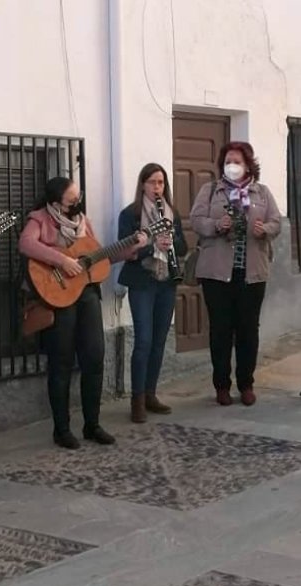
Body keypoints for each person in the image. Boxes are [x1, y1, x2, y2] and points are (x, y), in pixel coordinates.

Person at [19, 177, 145, 448]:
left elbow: (98, 256)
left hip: (86, 295)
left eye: (78, 197)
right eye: (71, 200)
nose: (77, 203)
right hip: (57, 298)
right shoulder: (39, 219)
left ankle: (93, 424)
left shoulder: (83, 222)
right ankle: (61, 429)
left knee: (94, 357)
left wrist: (130, 249)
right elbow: (26, 245)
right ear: (55, 203)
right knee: (61, 362)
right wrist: (62, 260)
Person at [190, 141, 283, 407]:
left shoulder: (261, 192)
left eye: (237, 161)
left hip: (252, 271)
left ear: (248, 165)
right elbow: (196, 220)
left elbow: (276, 222)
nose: (232, 166)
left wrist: (264, 228)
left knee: (248, 330)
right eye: (228, 161)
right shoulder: (211, 191)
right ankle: (221, 384)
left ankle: (246, 383)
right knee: (220, 330)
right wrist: (217, 225)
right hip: (217, 273)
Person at [117, 163, 188, 423]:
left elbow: (183, 247)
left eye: (161, 183)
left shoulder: (171, 213)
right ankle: (136, 400)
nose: (157, 188)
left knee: (159, 341)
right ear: (143, 185)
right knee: (144, 340)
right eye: (152, 183)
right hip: (142, 281)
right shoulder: (131, 214)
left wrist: (172, 242)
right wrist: (151, 247)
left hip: (166, 281)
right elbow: (125, 250)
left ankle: (150, 394)